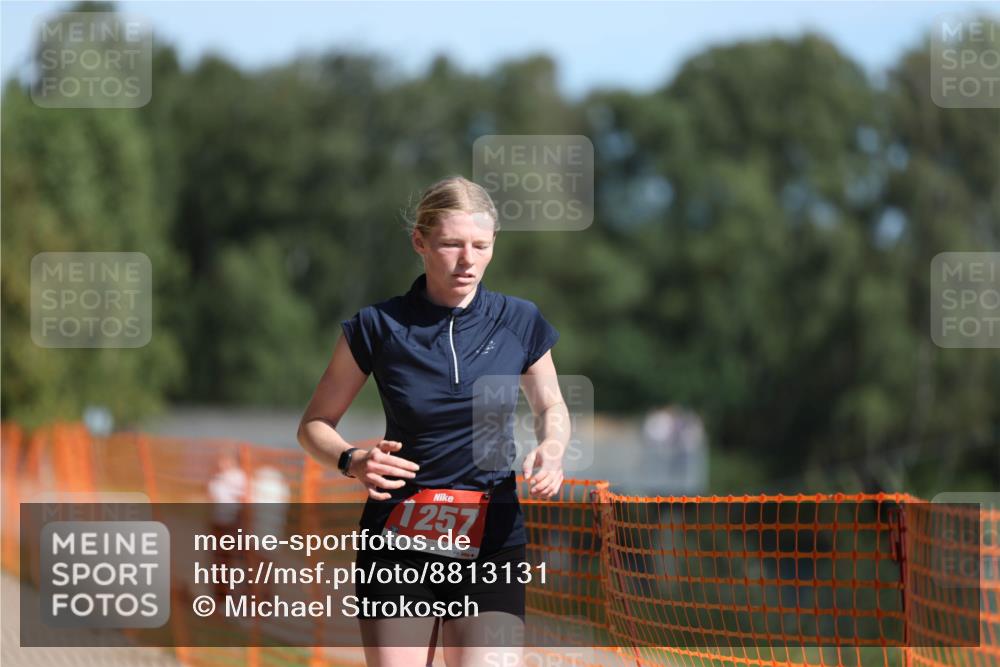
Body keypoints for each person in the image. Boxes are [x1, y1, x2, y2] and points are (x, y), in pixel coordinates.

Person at [297, 175, 570, 667]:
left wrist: (552, 447)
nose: (468, 260)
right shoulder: (378, 326)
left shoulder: (520, 320)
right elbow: (314, 424)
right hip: (400, 536)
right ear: (420, 242)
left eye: (480, 246)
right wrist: (352, 460)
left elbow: (551, 405)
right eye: (451, 244)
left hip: (492, 537)